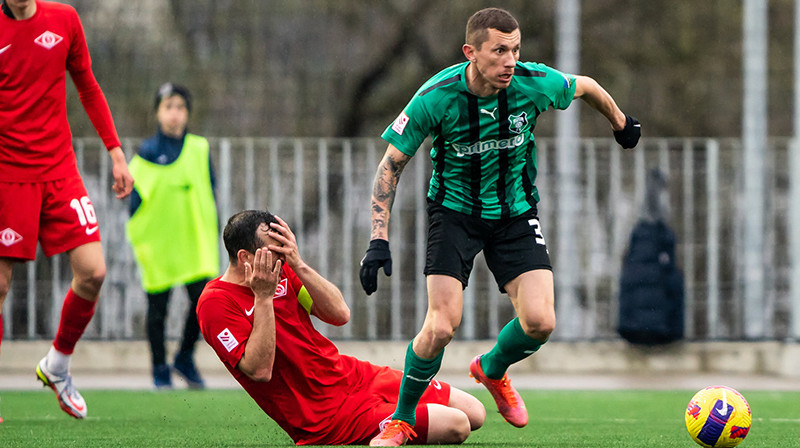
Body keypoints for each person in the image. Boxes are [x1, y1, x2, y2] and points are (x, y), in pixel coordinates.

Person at [359, 7, 641, 445]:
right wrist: (378, 240)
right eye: (499, 51)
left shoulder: (533, 82)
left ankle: (491, 369)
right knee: (440, 327)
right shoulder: (436, 96)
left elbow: (585, 87)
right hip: (454, 213)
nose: (510, 60)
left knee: (541, 322)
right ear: (471, 52)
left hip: (514, 213)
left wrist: (621, 123)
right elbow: (390, 167)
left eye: (515, 50)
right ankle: (400, 419)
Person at [197, 210, 485, 445]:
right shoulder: (215, 303)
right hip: (325, 416)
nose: (281, 254)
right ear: (246, 257)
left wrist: (298, 263)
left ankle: (389, 431)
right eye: (274, 249)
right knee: (457, 426)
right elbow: (259, 371)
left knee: (474, 412)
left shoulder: (283, 269)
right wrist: (263, 298)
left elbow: (339, 314)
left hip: (352, 376)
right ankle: (383, 432)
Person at [0, 0, 134, 420]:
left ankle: (57, 365)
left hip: (59, 170)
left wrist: (115, 151)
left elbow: (87, 85)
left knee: (93, 271)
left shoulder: (65, 19)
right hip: (7, 174)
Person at [126, 83, 218, 389]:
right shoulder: (147, 153)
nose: (175, 113)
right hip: (160, 245)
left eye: (180, 107)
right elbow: (134, 203)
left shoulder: (200, 148)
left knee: (204, 303)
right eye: (168, 107)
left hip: (194, 242)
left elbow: (211, 192)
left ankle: (184, 357)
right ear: (157, 112)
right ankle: (159, 369)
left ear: (188, 112)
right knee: (157, 310)